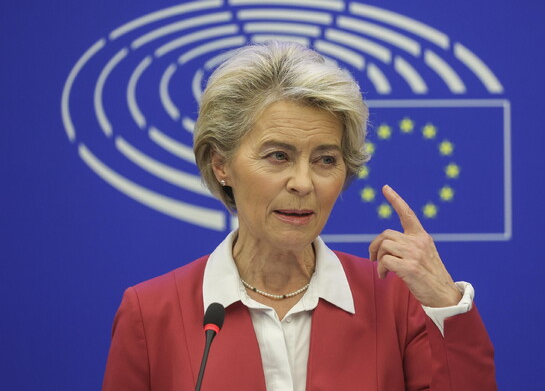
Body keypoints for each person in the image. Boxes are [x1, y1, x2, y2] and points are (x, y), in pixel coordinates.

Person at [102, 41, 496, 390]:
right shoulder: (151, 314)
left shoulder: (395, 301)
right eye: (279, 156)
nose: (303, 183)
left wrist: (445, 302)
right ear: (221, 164)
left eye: (325, 160)